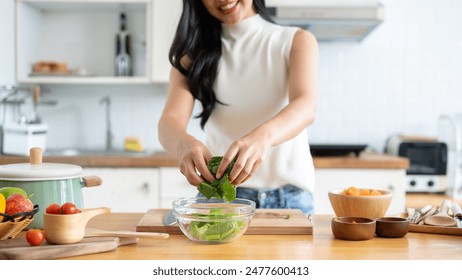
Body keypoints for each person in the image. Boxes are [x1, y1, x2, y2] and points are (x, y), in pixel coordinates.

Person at [158, 0, 318, 214]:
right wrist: (184, 145)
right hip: (219, 197)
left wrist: (263, 137)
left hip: (290, 198)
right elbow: (169, 122)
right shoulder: (190, 57)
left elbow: (306, 105)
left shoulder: (296, 40)